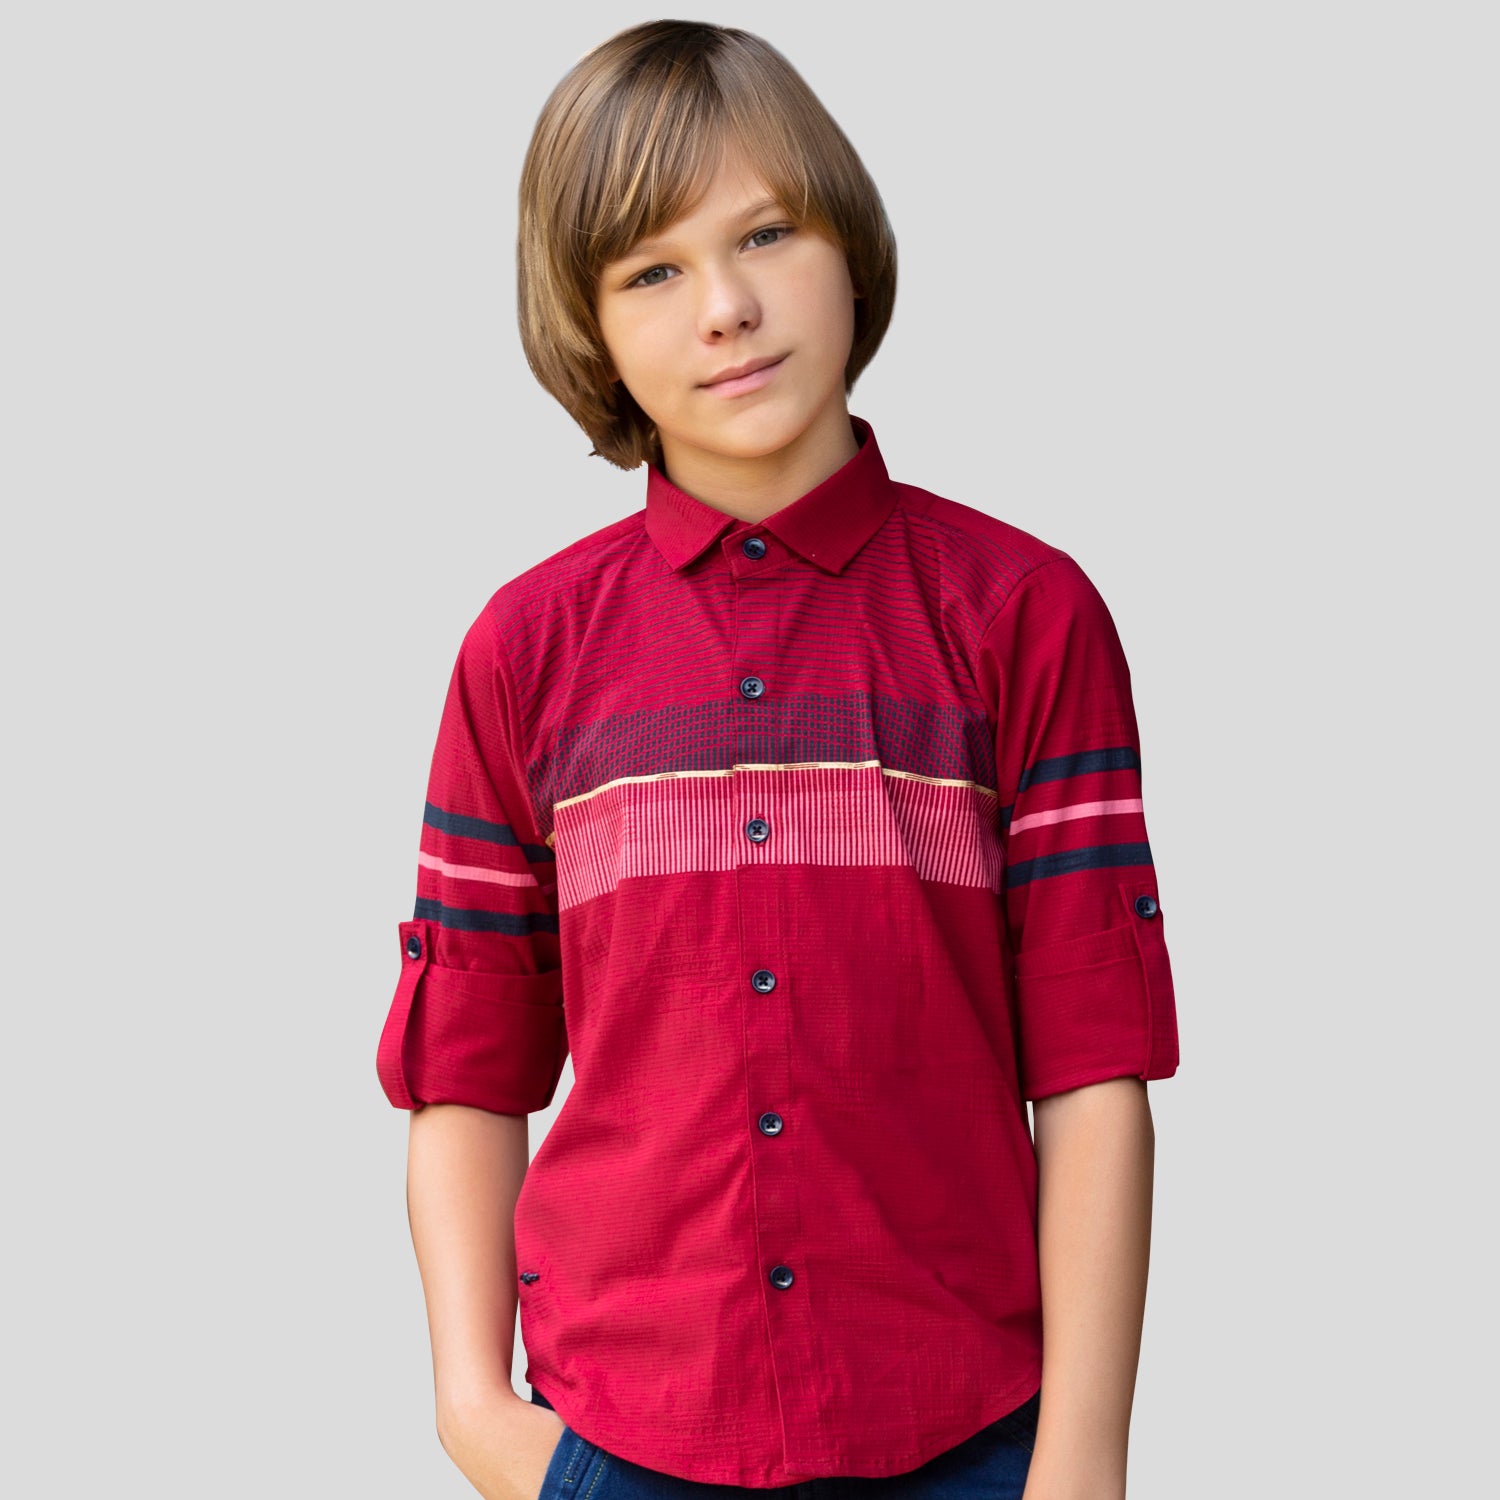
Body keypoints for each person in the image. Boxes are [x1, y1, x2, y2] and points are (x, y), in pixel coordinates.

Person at [375, 19, 1180, 1500]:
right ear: (585, 322)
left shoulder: (1023, 615)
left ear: (849, 243)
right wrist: (474, 1413)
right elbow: (469, 1066)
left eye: (765, 232)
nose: (727, 309)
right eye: (652, 271)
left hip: (970, 1436)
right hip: (620, 1440)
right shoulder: (524, 650)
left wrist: (1082, 1461)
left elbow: (1093, 1067)